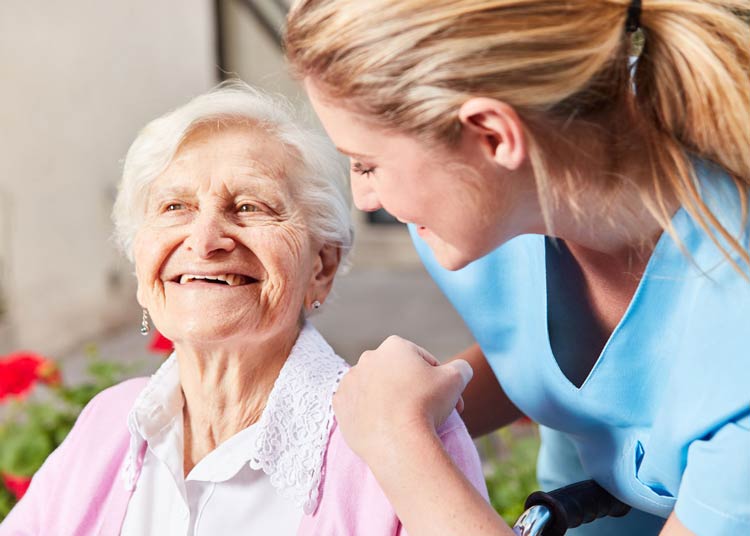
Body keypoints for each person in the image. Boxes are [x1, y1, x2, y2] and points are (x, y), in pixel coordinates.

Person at [284, 1, 750, 535]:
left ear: (492, 135)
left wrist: (399, 440)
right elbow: (563, 359)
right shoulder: (502, 204)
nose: (363, 197)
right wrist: (371, 420)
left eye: (368, 164)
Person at [0, 82, 486, 535]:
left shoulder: (401, 434)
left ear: (321, 265)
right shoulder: (109, 422)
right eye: (175, 208)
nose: (206, 240)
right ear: (141, 265)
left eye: (251, 206)